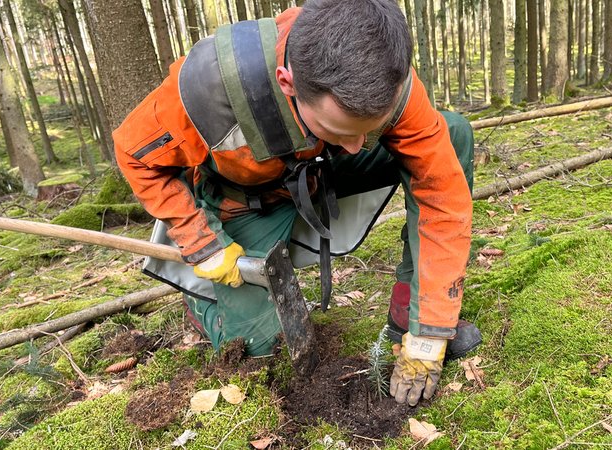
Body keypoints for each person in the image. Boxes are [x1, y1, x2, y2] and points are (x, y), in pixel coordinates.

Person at [114, 0, 481, 407]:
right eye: (337, 127)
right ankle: (203, 307)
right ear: (287, 82)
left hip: (324, 172)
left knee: (453, 133)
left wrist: (430, 332)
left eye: (370, 130)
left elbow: (441, 196)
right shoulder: (209, 87)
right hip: (250, 201)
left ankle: (407, 312)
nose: (361, 146)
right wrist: (201, 241)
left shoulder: (381, 70)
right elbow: (135, 155)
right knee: (261, 354)